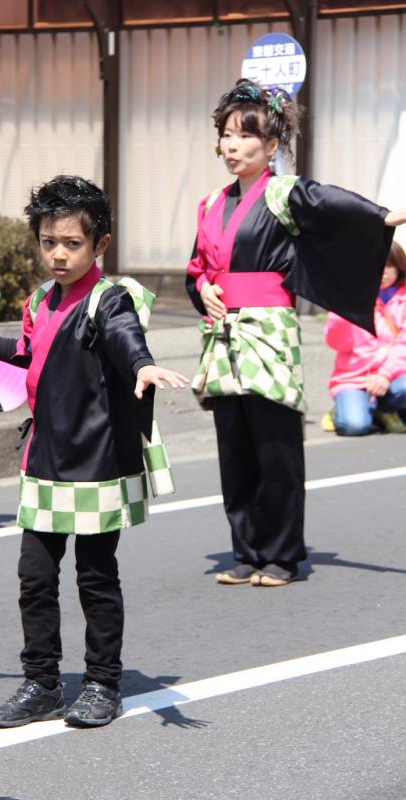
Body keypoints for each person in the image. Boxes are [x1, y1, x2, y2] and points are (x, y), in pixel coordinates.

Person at [0, 175, 188, 729]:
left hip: (97, 461)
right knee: (34, 577)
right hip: (45, 457)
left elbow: (124, 337)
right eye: (49, 241)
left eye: (72, 243)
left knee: (96, 577)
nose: (58, 254)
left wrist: (142, 365)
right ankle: (42, 683)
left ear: (101, 245)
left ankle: (102, 683)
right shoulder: (39, 300)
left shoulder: (109, 298)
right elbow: (31, 351)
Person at [186, 78, 406, 587]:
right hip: (221, 336)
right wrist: (204, 290)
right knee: (233, 446)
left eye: (245, 136)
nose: (232, 145)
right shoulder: (208, 205)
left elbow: (341, 208)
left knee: (275, 445)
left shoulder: (284, 192)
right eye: (226, 134)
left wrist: (389, 216)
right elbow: (195, 269)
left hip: (267, 332)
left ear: (272, 145)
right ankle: (247, 550)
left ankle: (282, 554)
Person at [324, 240, 406, 436]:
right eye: (376, 267)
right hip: (354, 378)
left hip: (394, 375)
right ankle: (347, 409)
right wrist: (341, 311)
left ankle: (382, 409)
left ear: (399, 266)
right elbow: (337, 343)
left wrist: (385, 374)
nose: (383, 272)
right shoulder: (352, 299)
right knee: (355, 426)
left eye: (388, 266)